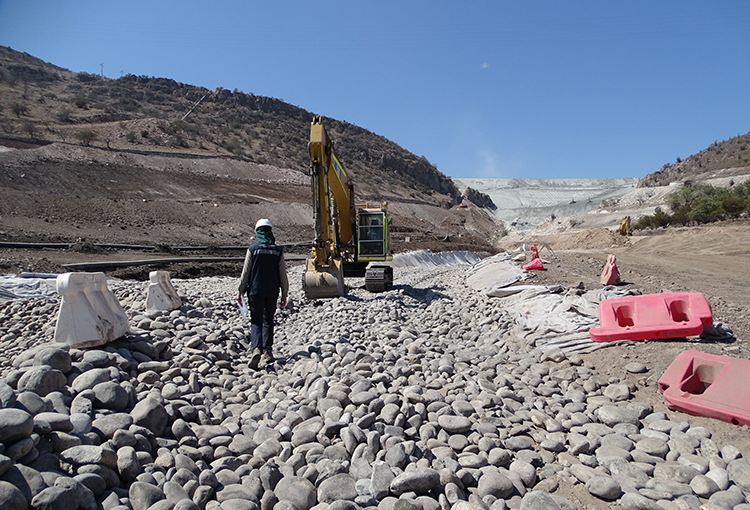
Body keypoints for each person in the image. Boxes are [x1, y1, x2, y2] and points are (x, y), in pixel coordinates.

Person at [238, 218, 289, 369]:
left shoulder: (252, 249)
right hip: (272, 290)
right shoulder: (277, 250)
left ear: (257, 232)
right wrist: (285, 293)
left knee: (256, 320)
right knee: (268, 320)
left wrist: (240, 291)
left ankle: (255, 348)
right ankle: (267, 351)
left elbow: (245, 272)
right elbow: (283, 275)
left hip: (255, 290)